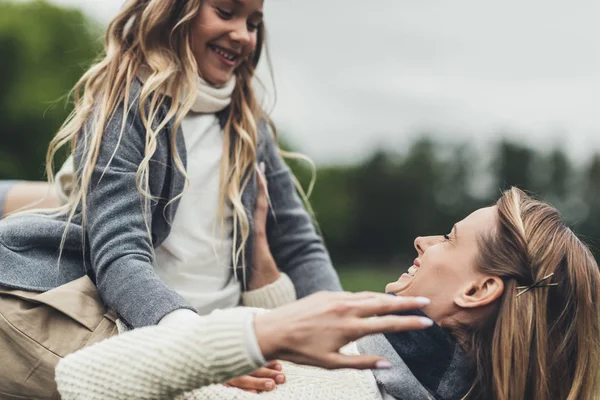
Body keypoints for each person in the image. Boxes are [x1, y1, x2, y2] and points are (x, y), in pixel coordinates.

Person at [0, 0, 341, 396]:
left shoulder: (248, 126)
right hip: (141, 320)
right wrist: (195, 345)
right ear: (175, 10)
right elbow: (121, 252)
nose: (243, 34)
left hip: (220, 320)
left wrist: (341, 320)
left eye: (254, 22)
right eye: (226, 12)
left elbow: (300, 247)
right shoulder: (127, 104)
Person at [54, 188, 600, 400]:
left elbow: (81, 379)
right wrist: (268, 279)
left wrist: (263, 333)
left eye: (450, 238)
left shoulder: (356, 387)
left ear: (479, 289)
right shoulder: (439, 385)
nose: (424, 241)